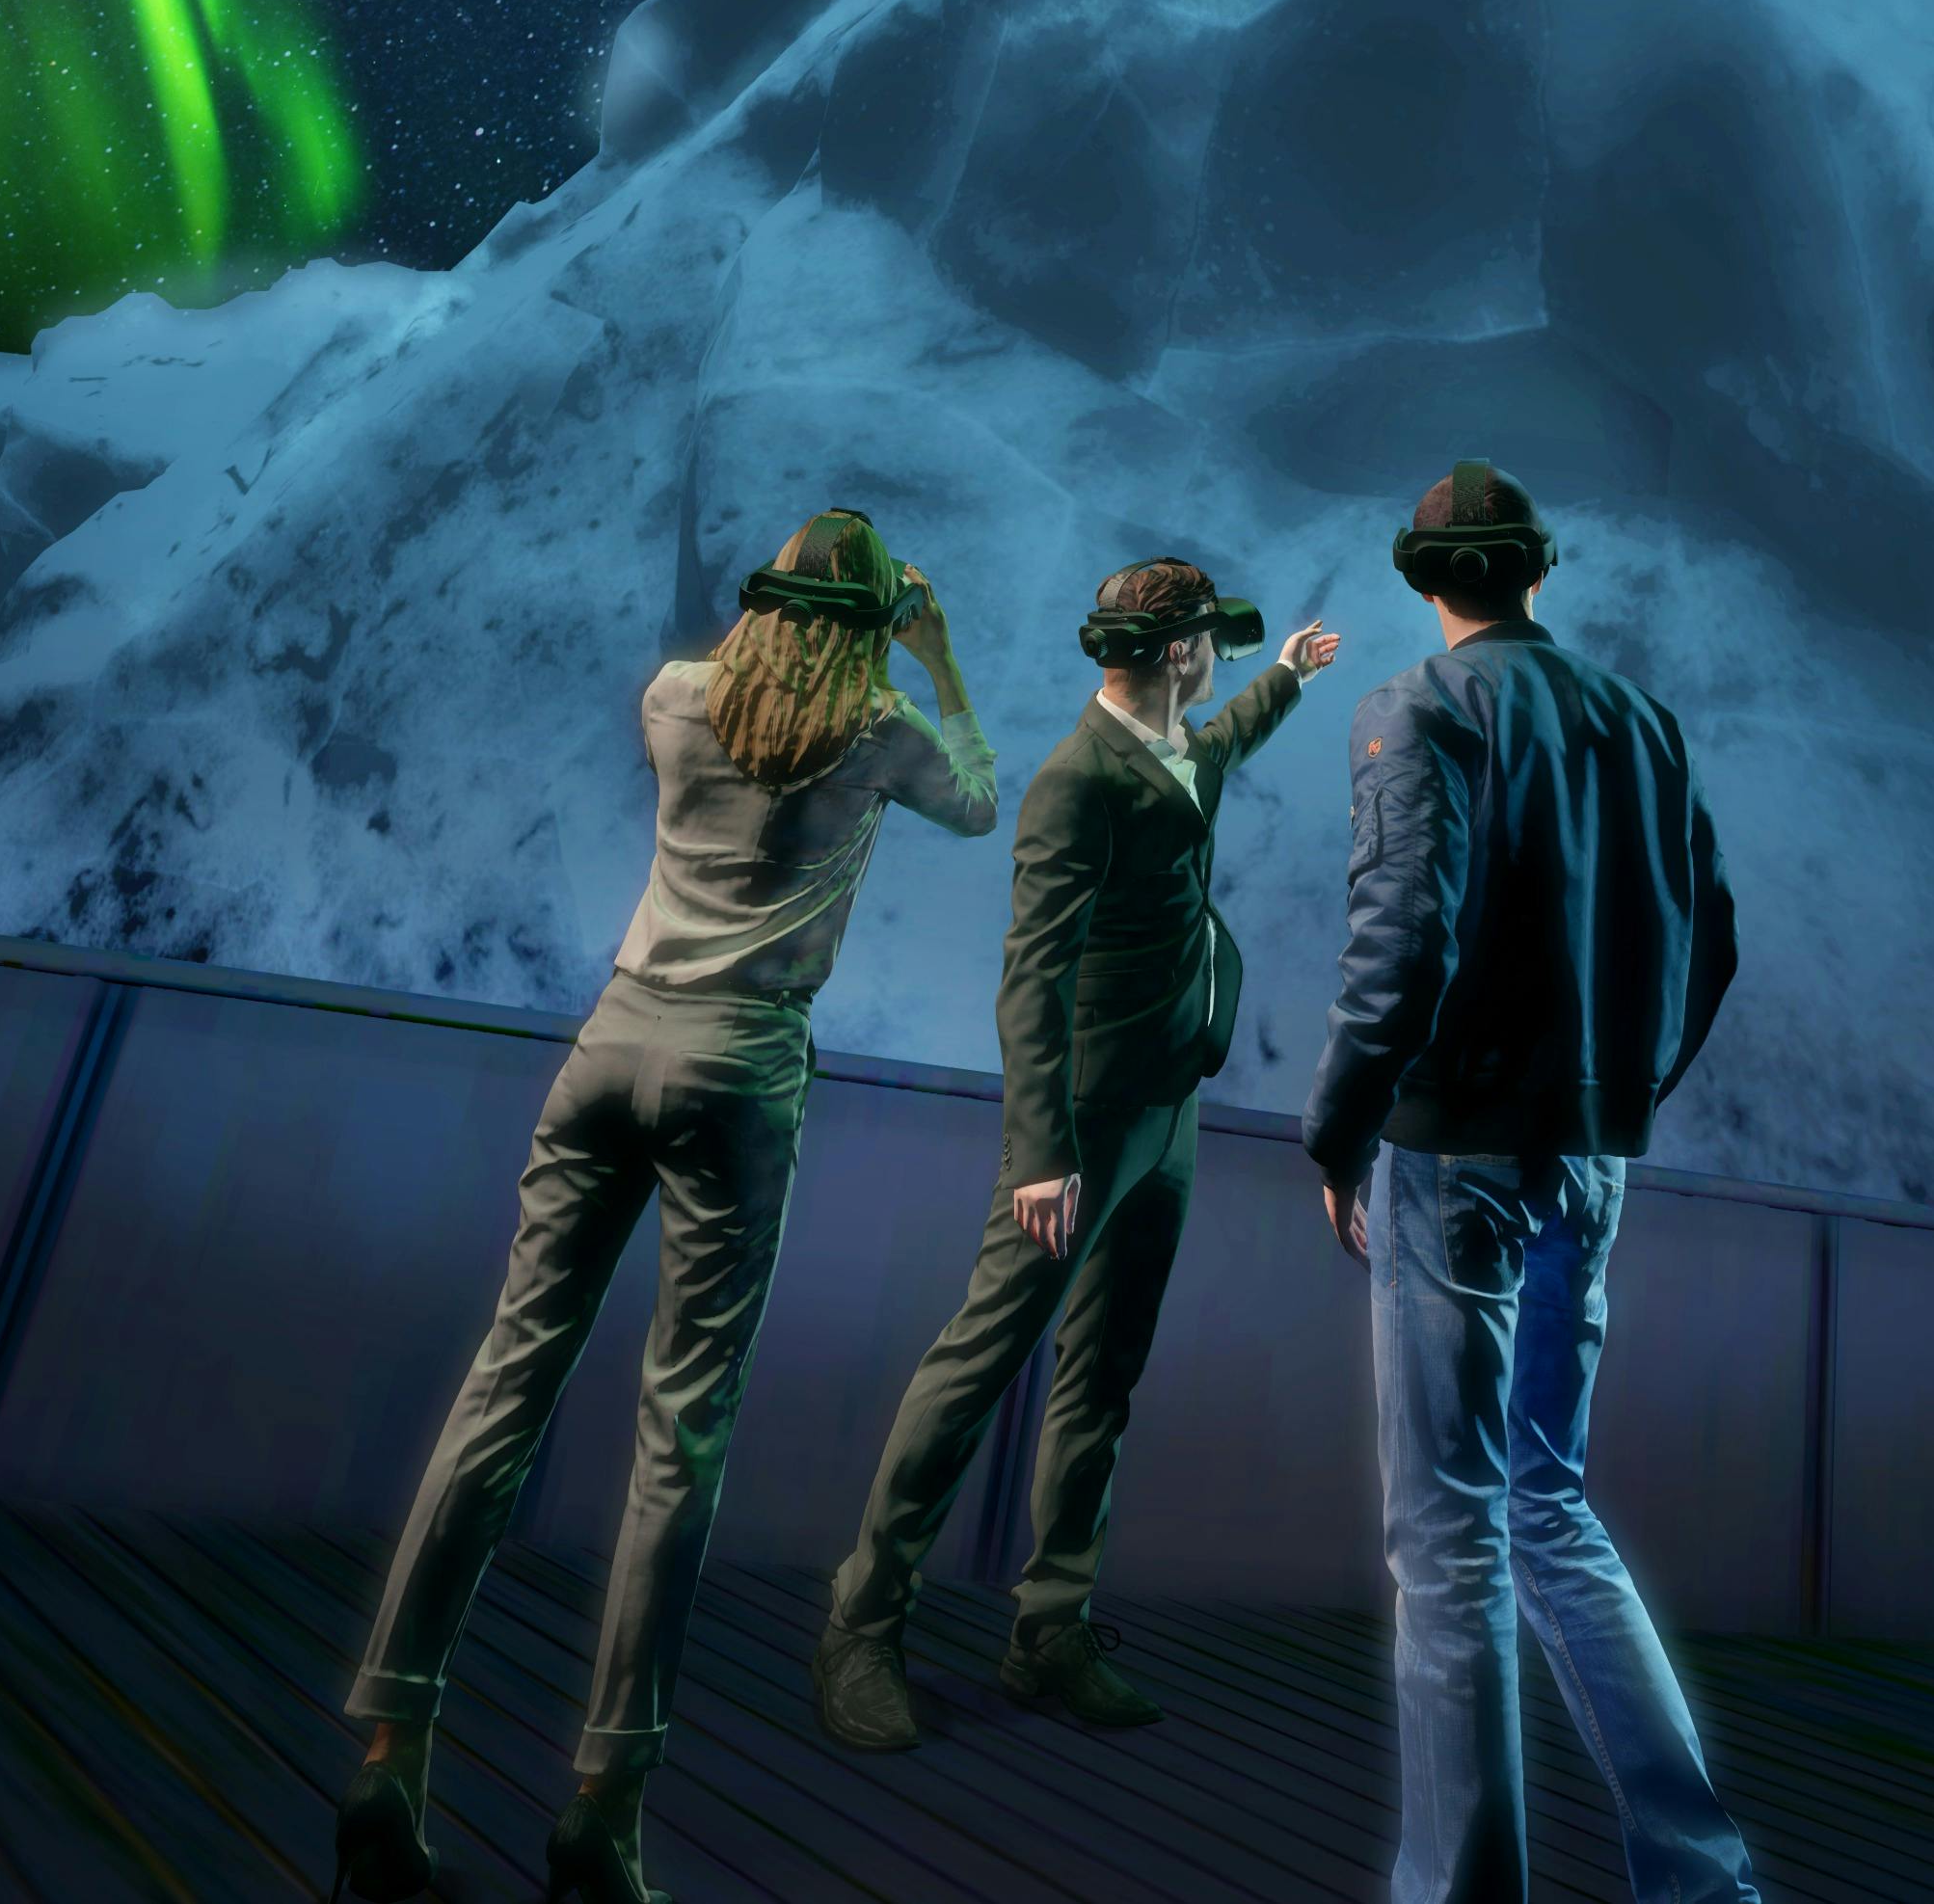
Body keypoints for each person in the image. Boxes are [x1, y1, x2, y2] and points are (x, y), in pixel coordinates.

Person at [335, 509, 996, 1904]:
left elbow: (742, 693)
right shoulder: (877, 729)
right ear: (879, 620)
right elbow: (979, 801)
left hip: (613, 1037)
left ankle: (390, 1746)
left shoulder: (675, 695)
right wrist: (934, 658)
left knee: (502, 1389)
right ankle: (606, 1804)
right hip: (742, 1064)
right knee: (679, 1438)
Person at [1303, 460, 1759, 1904]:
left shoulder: (1415, 708)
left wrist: (1339, 1132)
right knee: (1547, 1503)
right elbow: (1713, 935)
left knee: (1447, 1538)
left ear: (1424, 581)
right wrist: (1618, 1097)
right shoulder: (1643, 721)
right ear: (1538, 571)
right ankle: (1702, 1882)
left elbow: (1399, 949)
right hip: (1590, 1156)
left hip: (1456, 1155)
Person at [815, 558, 1342, 1750]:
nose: (1217, 659)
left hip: (1168, 1113)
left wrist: (1287, 679)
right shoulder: (1075, 781)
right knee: (980, 1360)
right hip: (1086, 1127)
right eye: (1212, 644)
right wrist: (1042, 1151)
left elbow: (1216, 751)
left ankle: (1050, 1627)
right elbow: (1032, 976)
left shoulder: (1173, 745)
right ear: (1177, 653)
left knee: (1104, 1373)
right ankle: (861, 1624)